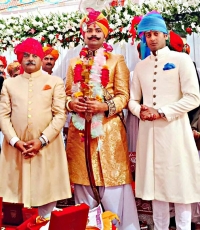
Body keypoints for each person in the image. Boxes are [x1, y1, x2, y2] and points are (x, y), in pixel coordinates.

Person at [65, 8, 140, 230]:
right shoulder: (72, 63)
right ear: (83, 34)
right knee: (82, 184)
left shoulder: (117, 60)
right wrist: (71, 104)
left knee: (114, 186)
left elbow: (124, 96)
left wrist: (104, 106)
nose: (94, 34)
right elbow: (67, 94)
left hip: (109, 133)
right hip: (80, 133)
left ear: (105, 34)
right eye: (89, 30)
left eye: (98, 30)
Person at [128, 11, 200, 230]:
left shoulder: (181, 60)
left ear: (166, 35)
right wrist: (139, 111)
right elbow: (132, 99)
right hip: (148, 135)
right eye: (147, 34)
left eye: (156, 33)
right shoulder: (140, 67)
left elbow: (193, 97)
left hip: (176, 133)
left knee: (180, 189)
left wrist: (160, 111)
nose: (151, 38)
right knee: (155, 190)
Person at [0, 38, 71, 218]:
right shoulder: (9, 84)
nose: (30, 59)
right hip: (16, 150)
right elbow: (3, 115)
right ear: (20, 59)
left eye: (34, 56)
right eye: (26, 56)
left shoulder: (54, 82)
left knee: (47, 197)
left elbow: (60, 115)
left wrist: (42, 140)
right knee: (16, 203)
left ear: (40, 58)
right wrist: (15, 141)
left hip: (46, 148)